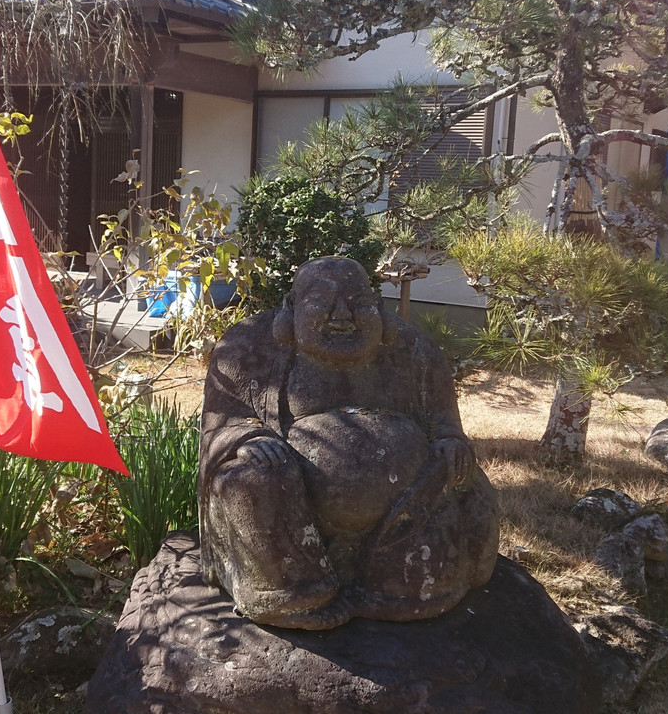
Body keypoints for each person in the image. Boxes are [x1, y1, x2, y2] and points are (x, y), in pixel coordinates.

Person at [199, 257, 498, 629]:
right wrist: (247, 437)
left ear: (379, 307)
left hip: (409, 508)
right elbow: (221, 420)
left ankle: (394, 587)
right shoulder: (246, 349)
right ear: (291, 309)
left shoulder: (414, 351)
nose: (343, 315)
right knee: (245, 480)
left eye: (360, 303)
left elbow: (444, 422)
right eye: (321, 303)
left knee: (462, 483)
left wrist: (451, 442)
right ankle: (292, 595)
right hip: (292, 501)